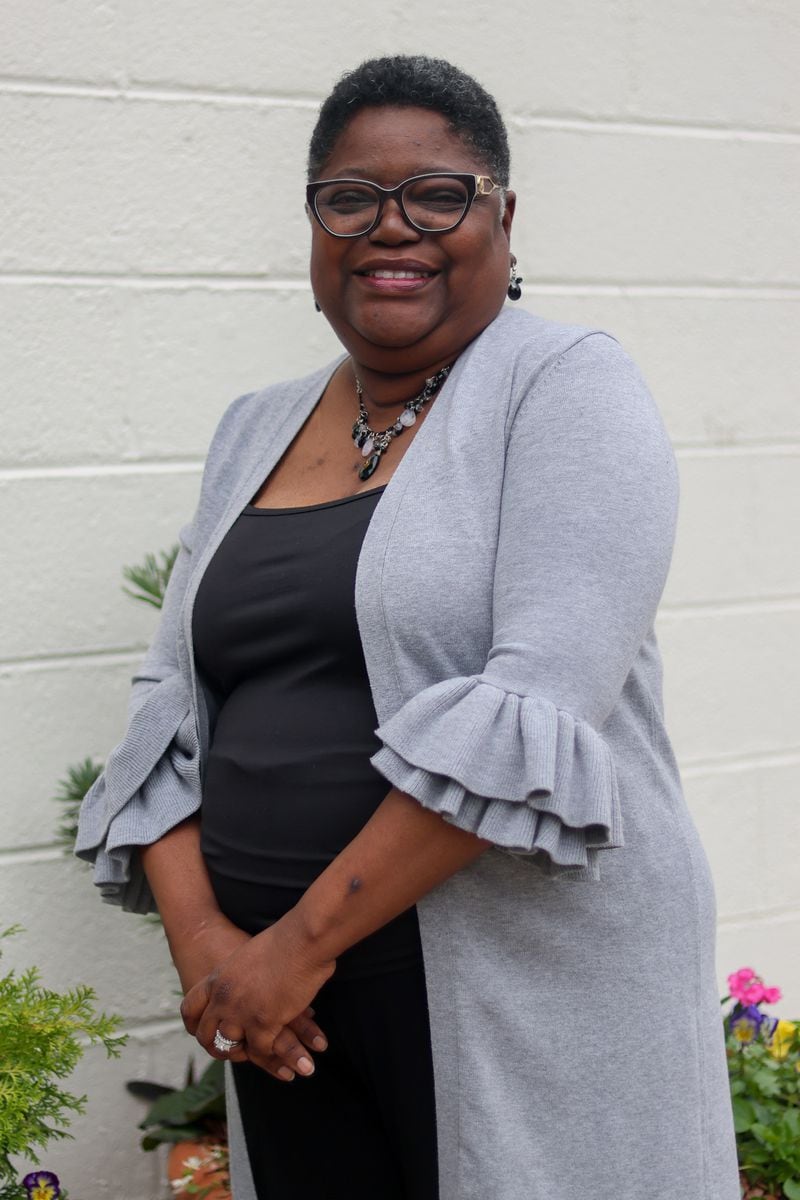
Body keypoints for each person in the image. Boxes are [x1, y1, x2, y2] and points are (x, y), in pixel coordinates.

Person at [77, 55, 741, 1200]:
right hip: (281, 1010)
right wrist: (217, 962)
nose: (393, 228)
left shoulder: (565, 386)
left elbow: (539, 700)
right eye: (350, 198)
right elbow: (164, 710)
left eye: (437, 194)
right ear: (314, 224)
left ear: (501, 216)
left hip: (517, 991)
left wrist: (294, 948)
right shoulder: (255, 427)